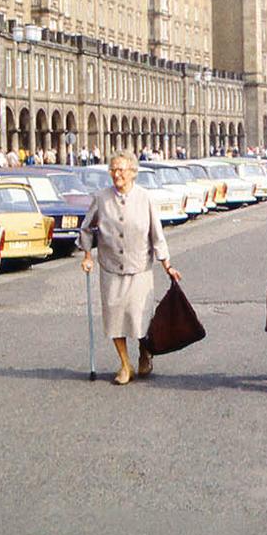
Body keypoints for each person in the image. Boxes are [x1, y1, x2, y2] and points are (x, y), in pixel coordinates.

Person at [80, 152, 179, 385]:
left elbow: (157, 234)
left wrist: (168, 265)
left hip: (139, 268)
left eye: (122, 170)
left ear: (133, 172)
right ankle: (125, 365)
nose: (117, 174)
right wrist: (87, 255)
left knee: (139, 318)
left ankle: (145, 350)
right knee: (115, 318)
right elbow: (86, 228)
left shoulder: (145, 198)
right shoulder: (101, 198)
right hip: (110, 267)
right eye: (113, 169)